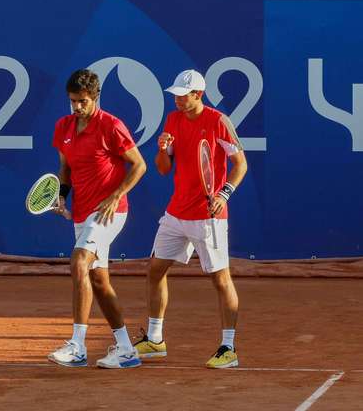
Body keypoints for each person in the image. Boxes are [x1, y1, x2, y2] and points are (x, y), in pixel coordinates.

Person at [133, 69, 248, 369]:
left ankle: (228, 347)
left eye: (182, 96)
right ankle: (155, 340)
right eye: (175, 96)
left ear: (198, 94)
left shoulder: (218, 122)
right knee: (155, 270)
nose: (178, 101)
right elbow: (162, 169)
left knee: (220, 280)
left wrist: (223, 194)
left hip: (208, 215)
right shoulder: (173, 120)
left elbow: (240, 164)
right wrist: (161, 149)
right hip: (176, 212)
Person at [47, 69, 147, 369]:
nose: (77, 107)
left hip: (108, 211)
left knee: (78, 262)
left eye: (83, 101)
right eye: (73, 101)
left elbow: (139, 165)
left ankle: (77, 345)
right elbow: (65, 168)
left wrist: (117, 195)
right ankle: (127, 349)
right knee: (99, 281)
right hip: (82, 211)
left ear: (95, 98)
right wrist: (62, 194)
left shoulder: (111, 126)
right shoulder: (63, 127)